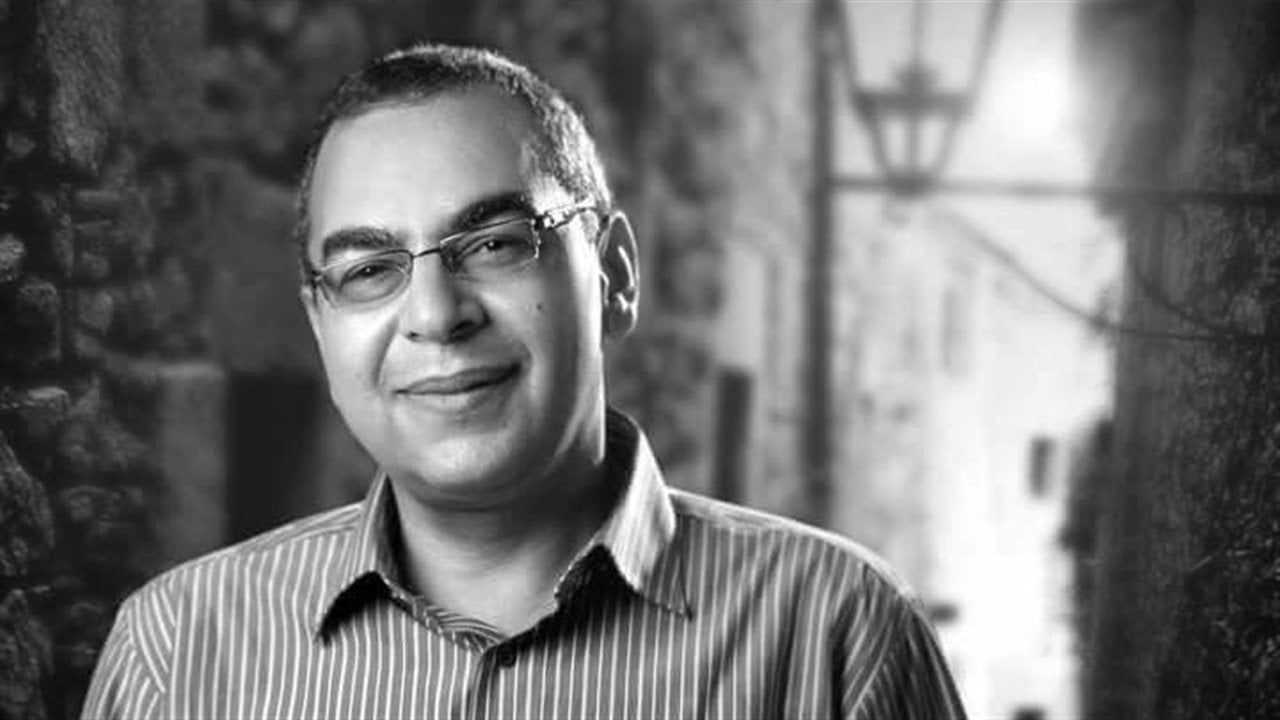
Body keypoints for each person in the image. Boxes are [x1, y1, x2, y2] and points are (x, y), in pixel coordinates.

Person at [82, 43, 966, 719]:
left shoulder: (839, 636)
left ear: (614, 275)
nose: (436, 314)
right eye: (369, 270)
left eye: (495, 244)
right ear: (320, 321)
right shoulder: (177, 654)